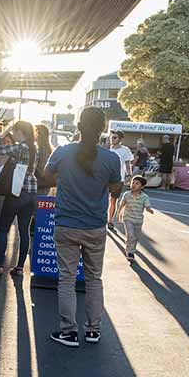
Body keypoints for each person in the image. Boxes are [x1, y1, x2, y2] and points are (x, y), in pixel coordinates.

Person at [42, 107, 122, 348]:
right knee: (94, 278)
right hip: (95, 226)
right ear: (102, 129)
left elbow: (45, 176)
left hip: (66, 224)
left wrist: (64, 181)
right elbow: (116, 189)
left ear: (78, 125)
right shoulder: (111, 158)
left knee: (66, 278)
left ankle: (68, 331)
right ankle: (93, 330)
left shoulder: (63, 152)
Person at [0, 121, 40, 276]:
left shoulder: (18, 147)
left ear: (20, 132)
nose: (14, 134)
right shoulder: (34, 149)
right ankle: (20, 268)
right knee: (24, 231)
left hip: (17, 193)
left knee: (3, 229)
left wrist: (3, 132)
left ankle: (0, 266)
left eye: (15, 131)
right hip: (31, 194)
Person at [118, 174, 151, 261]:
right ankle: (130, 252)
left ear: (142, 186)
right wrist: (119, 214)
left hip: (138, 220)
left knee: (135, 237)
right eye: (133, 182)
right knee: (131, 236)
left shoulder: (144, 197)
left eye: (137, 183)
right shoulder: (126, 194)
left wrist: (149, 209)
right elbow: (122, 205)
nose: (133, 185)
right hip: (128, 218)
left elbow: (147, 206)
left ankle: (130, 246)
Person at [107, 131, 135, 228]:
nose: (112, 139)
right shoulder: (107, 149)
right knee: (102, 200)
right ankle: (101, 219)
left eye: (114, 137)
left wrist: (130, 175)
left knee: (113, 201)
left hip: (118, 179)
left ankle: (109, 221)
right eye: (111, 137)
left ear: (120, 139)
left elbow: (128, 165)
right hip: (105, 179)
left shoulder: (125, 150)